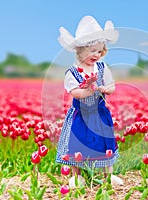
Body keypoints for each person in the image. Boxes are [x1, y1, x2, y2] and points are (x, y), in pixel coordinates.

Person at [55, 16, 123, 188]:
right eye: (93, 50)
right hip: (81, 115)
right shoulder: (73, 72)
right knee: (78, 144)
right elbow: (75, 93)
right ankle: (77, 176)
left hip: (100, 114)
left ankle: (109, 175)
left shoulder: (102, 68)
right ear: (80, 50)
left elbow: (111, 85)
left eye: (100, 51)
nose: (97, 55)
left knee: (105, 143)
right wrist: (86, 91)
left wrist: (106, 89)